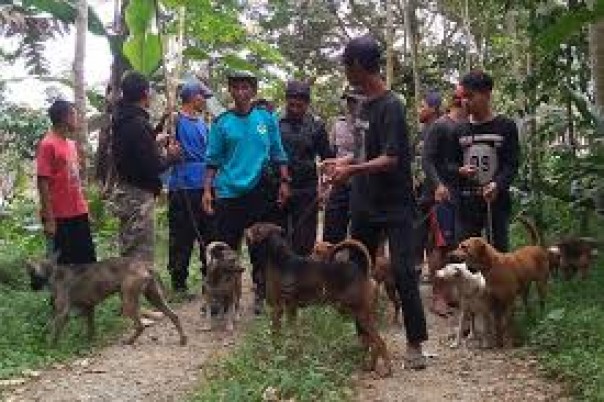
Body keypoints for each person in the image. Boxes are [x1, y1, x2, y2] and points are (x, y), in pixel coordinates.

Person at [324, 35, 428, 369]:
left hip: (395, 204)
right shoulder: (362, 105)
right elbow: (364, 151)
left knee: (403, 270)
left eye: (346, 64)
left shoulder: (392, 105)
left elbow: (392, 158)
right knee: (357, 270)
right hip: (365, 202)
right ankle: (366, 337)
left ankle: (415, 344)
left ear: (357, 65)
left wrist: (351, 169)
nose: (345, 71)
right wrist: (342, 164)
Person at [202, 70, 291, 315]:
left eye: (246, 87)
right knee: (225, 248)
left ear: (253, 90)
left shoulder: (266, 119)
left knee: (260, 247)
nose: (241, 92)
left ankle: (261, 293)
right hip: (229, 192)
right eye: (236, 87)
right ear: (230, 90)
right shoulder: (222, 122)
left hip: (260, 192)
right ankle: (222, 297)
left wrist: (284, 182)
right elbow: (212, 160)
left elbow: (278, 153)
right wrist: (207, 190)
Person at [111, 71, 181, 262]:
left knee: (129, 248)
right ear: (144, 93)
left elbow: (138, 150)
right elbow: (152, 166)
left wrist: (159, 129)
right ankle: (133, 290)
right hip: (138, 197)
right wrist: (171, 158)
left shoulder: (123, 119)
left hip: (127, 191)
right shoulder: (137, 123)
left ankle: (134, 289)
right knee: (138, 257)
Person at [452, 70, 520, 252]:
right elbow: (449, 164)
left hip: (496, 204)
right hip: (466, 205)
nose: (465, 101)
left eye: (470, 96)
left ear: (487, 95)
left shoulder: (505, 126)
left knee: (498, 256)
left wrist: (497, 184)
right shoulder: (459, 129)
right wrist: (459, 171)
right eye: (463, 97)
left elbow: (512, 163)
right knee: (465, 256)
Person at [421, 87, 467, 316]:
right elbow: (427, 160)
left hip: (463, 193)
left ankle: (450, 293)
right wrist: (438, 185)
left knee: (455, 244)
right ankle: (438, 296)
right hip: (442, 194)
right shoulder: (440, 126)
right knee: (440, 244)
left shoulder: (468, 127)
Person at [166, 80, 214, 294]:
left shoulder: (204, 124)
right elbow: (159, 144)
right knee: (181, 235)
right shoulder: (174, 120)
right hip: (182, 185)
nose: (204, 100)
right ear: (194, 97)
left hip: (204, 185)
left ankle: (209, 277)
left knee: (208, 232)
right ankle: (179, 282)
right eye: (202, 96)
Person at [36, 99, 96, 264]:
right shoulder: (48, 144)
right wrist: (49, 219)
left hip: (78, 213)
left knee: (87, 262)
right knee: (63, 267)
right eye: (75, 115)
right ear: (66, 117)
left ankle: (85, 291)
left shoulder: (71, 144)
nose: (77, 119)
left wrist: (85, 209)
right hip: (59, 216)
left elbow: (74, 179)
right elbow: (42, 181)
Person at [277, 80, 334, 254]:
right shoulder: (275, 123)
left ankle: (303, 280)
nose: (295, 109)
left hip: (306, 190)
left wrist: (327, 183)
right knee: (278, 239)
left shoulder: (316, 126)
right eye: (291, 105)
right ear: (286, 101)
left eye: (299, 106)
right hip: (278, 188)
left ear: (307, 104)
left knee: (305, 240)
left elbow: (327, 157)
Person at [322, 87, 363, 244]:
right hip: (340, 184)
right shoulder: (338, 124)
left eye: (355, 100)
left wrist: (343, 162)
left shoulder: (371, 123)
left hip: (362, 185)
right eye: (349, 100)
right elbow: (331, 154)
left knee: (362, 235)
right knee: (331, 234)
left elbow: (368, 152)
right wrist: (327, 177)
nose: (351, 104)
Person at [414, 91, 443, 272]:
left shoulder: (441, 130)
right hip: (420, 195)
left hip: (435, 195)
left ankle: (438, 288)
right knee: (417, 238)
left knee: (435, 242)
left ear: (433, 109)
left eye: (422, 106)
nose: (419, 110)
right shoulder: (421, 133)